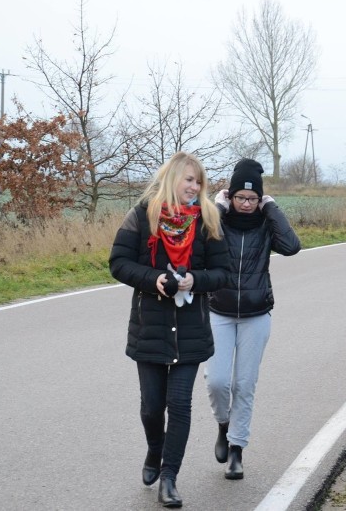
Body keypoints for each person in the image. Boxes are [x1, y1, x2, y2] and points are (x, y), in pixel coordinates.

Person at [109, 151, 229, 508]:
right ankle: (154, 450)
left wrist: (196, 279)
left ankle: (170, 477)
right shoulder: (143, 215)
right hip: (150, 327)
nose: (194, 187)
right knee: (151, 407)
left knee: (179, 405)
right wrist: (154, 278)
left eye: (199, 182)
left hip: (191, 330)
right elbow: (118, 263)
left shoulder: (209, 220)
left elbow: (222, 273)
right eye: (188, 179)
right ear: (171, 178)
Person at [204, 158, 301, 480]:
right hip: (218, 310)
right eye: (240, 198)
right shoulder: (218, 223)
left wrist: (271, 208)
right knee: (217, 382)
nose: (246, 204)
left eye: (253, 199)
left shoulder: (264, 222)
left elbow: (291, 246)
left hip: (256, 316)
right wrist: (216, 207)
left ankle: (236, 450)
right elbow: (197, 241)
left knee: (244, 385)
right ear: (229, 196)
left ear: (261, 200)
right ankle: (223, 425)